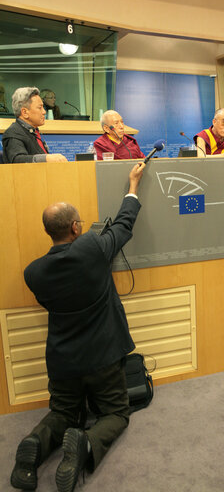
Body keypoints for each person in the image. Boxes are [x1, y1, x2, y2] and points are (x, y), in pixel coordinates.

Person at [10, 161, 145, 492]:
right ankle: (85, 444)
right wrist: (133, 186)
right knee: (115, 414)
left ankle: (33, 448)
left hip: (63, 362)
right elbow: (125, 223)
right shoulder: (94, 247)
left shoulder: (33, 273)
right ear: (74, 227)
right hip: (102, 356)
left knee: (63, 413)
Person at [2, 87, 67, 163]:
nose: (44, 112)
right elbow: (18, 160)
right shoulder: (13, 133)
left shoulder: (33, 131)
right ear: (25, 112)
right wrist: (46, 158)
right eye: (40, 108)